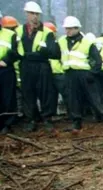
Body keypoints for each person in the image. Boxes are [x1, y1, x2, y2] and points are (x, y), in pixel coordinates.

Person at [58, 16, 103, 133]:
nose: (68, 31)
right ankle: (76, 121)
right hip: (70, 73)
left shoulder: (87, 42)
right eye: (66, 28)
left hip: (85, 74)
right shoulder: (62, 41)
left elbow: (98, 60)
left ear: (77, 28)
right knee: (73, 99)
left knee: (96, 96)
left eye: (70, 28)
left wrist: (92, 73)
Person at [16, 1, 61, 132]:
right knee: (28, 93)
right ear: (26, 14)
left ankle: (47, 119)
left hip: (42, 67)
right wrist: (36, 54)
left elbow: (53, 52)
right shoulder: (19, 31)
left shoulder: (47, 32)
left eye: (37, 14)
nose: (34, 16)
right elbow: (15, 51)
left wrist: (31, 55)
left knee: (45, 92)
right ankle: (31, 120)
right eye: (32, 13)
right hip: (26, 66)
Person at [0, 10, 19, 134]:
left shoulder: (10, 34)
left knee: (8, 97)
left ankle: (8, 123)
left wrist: (5, 60)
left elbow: (16, 51)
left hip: (5, 69)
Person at [43, 22, 68, 116]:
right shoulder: (44, 43)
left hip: (59, 73)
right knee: (51, 96)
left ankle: (69, 112)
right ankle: (52, 114)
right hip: (50, 73)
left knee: (65, 94)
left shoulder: (59, 42)